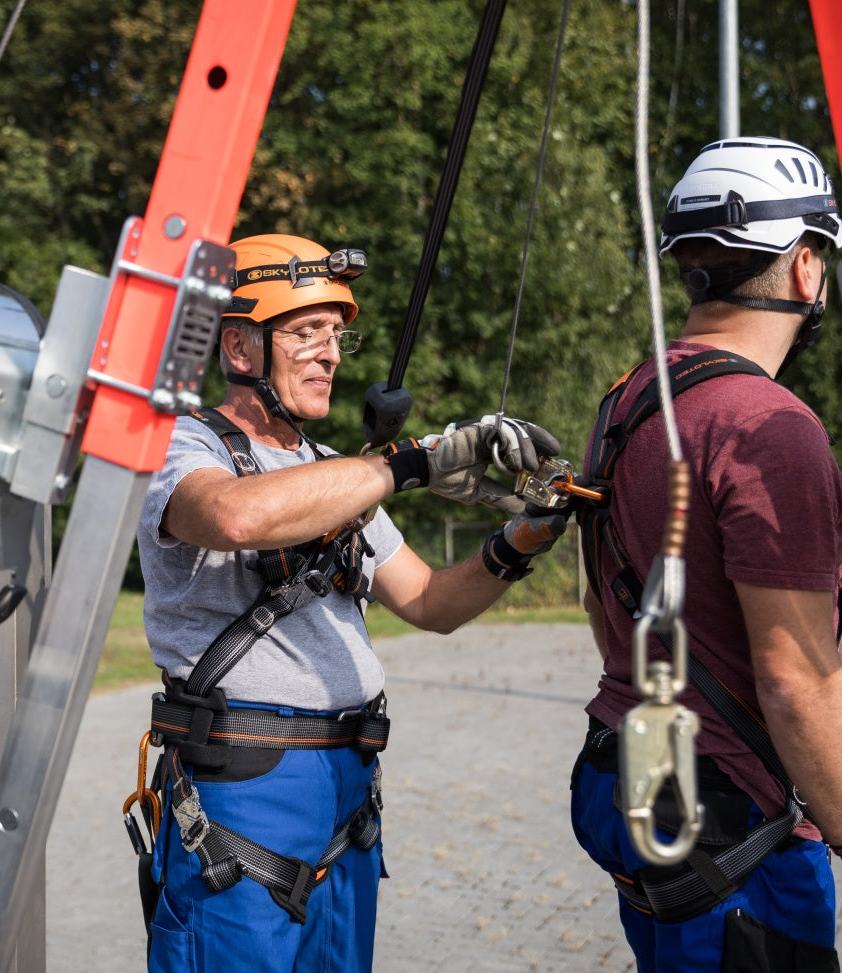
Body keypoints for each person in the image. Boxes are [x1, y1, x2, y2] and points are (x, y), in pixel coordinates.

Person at [136, 233, 569, 972]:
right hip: (243, 788)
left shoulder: (339, 474)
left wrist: (522, 539)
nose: (331, 355)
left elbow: (429, 601)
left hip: (349, 793)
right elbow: (234, 516)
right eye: (307, 332)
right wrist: (407, 463)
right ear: (239, 347)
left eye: (338, 336)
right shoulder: (185, 446)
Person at [571, 137, 842, 972]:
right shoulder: (770, 430)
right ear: (806, 267)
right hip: (733, 825)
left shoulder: (629, 399)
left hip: (628, 774)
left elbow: (600, 599)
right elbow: (798, 680)